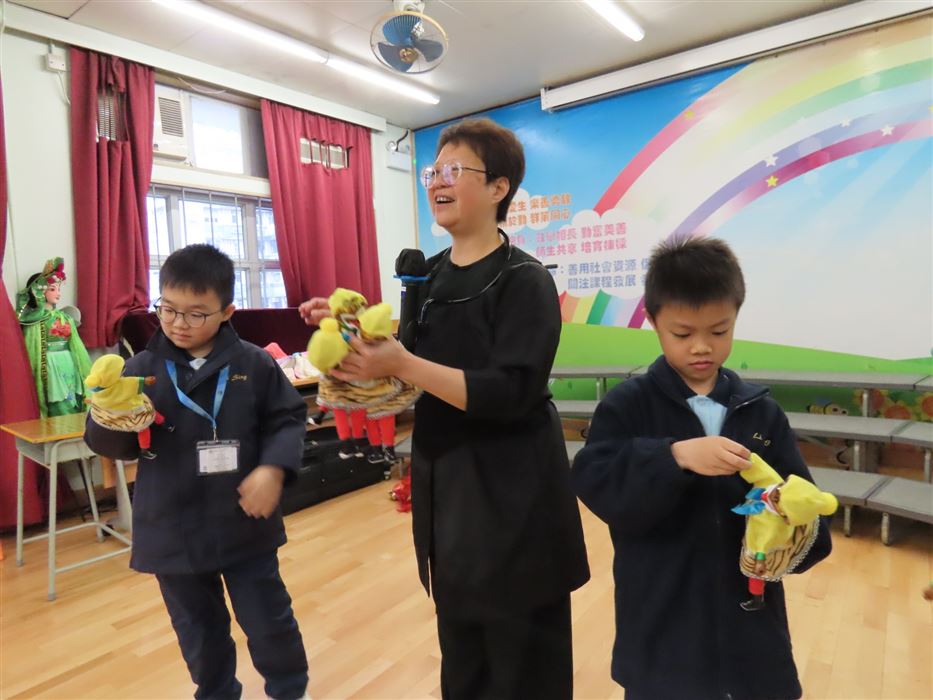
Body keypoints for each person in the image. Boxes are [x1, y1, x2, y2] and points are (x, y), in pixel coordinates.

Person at [299, 117, 590, 700]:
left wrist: (404, 363)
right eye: (434, 170)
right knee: (463, 654)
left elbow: (511, 393)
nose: (438, 180)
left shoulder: (526, 280)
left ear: (500, 187)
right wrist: (351, 333)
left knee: (523, 661)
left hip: (514, 491)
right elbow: (407, 369)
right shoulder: (426, 276)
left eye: (455, 169)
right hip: (447, 482)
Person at [571, 235, 833, 700]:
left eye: (718, 331)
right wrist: (674, 456)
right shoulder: (627, 405)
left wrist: (790, 524)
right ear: (653, 321)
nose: (701, 347)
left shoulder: (761, 411)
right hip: (661, 620)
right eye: (683, 333)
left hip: (751, 623)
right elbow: (598, 482)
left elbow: (806, 510)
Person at [84, 244, 309, 700]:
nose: (178, 323)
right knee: (198, 632)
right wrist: (109, 416)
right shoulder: (140, 369)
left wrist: (273, 468)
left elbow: (287, 420)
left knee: (269, 620)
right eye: (168, 309)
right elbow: (112, 446)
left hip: (243, 524)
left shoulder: (255, 363)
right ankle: (216, 692)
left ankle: (290, 690)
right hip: (172, 528)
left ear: (227, 312)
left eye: (196, 314)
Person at [17, 257, 92, 417]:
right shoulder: (35, 320)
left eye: (58, 289)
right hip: (50, 363)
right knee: (57, 400)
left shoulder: (65, 316)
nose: (58, 293)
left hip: (69, 360)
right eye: (52, 289)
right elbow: (32, 347)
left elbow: (75, 344)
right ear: (39, 292)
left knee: (73, 395)